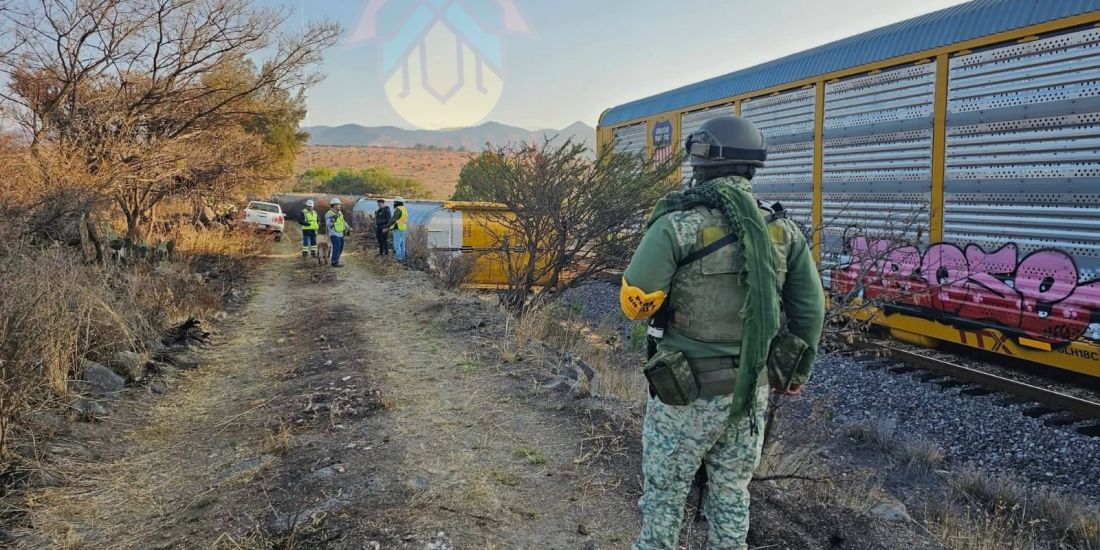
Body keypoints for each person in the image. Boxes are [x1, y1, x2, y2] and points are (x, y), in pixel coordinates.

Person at [620, 115, 825, 550]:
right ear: (753, 166)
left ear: (701, 162)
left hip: (684, 392)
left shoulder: (677, 225)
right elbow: (810, 310)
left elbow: (636, 303)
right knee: (732, 492)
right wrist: (795, 372)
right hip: (751, 391)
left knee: (664, 494)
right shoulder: (783, 230)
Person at [325, 197, 351, 267]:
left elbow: (343, 221)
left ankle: (337, 260)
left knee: (341, 247)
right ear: (334, 205)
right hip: (334, 233)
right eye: (339, 204)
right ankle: (334, 262)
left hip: (340, 233)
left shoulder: (340, 212)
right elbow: (328, 224)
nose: (340, 206)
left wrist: (347, 227)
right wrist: (334, 219)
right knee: (337, 247)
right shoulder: (329, 213)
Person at [389, 196, 409, 262]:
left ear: (396, 203)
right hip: (403, 228)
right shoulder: (404, 209)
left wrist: (387, 226)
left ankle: (398, 258)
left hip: (397, 228)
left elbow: (393, 219)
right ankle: (403, 257)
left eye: (394, 202)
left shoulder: (398, 209)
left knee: (397, 243)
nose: (393, 204)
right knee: (402, 243)